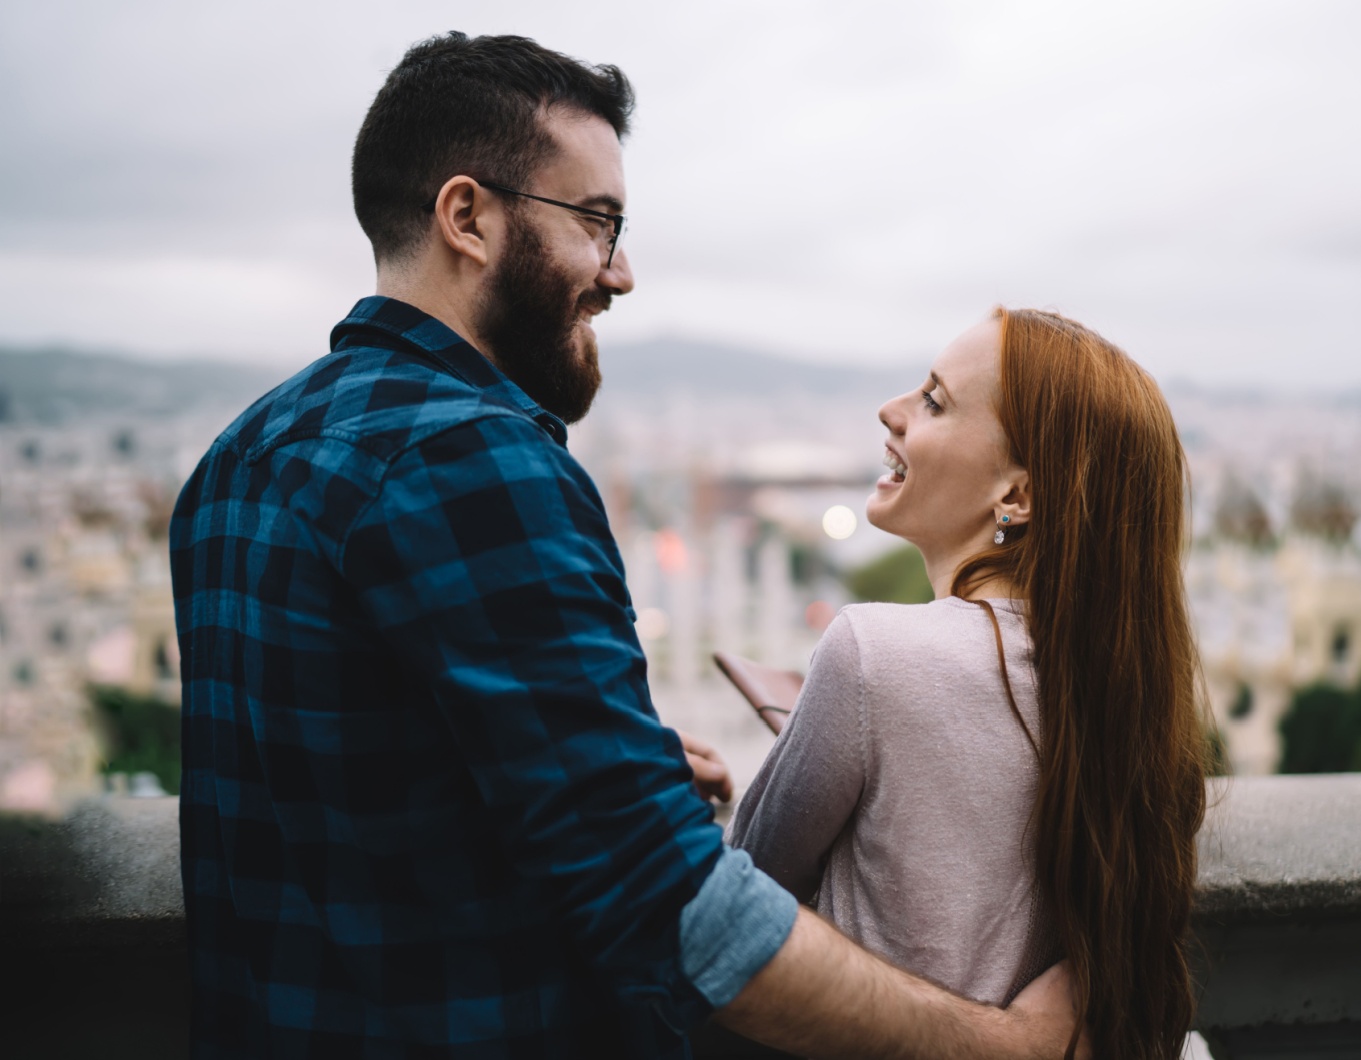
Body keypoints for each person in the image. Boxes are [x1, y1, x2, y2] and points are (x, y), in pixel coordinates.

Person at [169, 31, 1078, 1060]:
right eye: (596, 224)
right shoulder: (474, 460)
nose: (622, 273)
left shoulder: (235, 462)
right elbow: (672, 910)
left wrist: (617, 767)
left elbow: (348, 797)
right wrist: (1002, 1047)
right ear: (467, 217)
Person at [730, 308, 1211, 1060]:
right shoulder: (1135, 698)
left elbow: (741, 905)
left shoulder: (871, 652)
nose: (890, 412)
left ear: (1016, 496)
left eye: (933, 401)